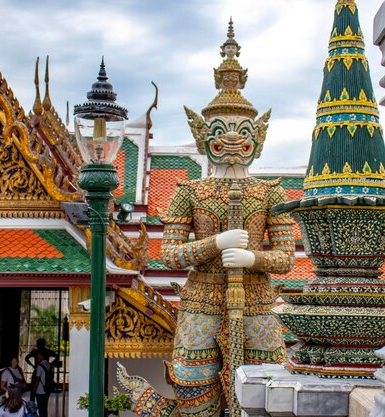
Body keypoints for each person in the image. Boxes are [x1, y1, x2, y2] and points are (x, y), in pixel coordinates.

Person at [116, 20, 295, 417]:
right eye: (221, 129)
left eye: (241, 129)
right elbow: (168, 255)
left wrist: (253, 258)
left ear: (256, 137)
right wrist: (216, 244)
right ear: (204, 135)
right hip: (200, 301)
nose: (232, 138)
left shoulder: (270, 193)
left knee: (266, 397)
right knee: (196, 397)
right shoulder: (189, 192)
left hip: (258, 301)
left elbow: (286, 258)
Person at [31, 350, 51, 417]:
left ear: (41, 356)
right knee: (45, 408)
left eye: (38, 356)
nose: (37, 358)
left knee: (41, 408)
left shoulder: (39, 367)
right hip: (47, 389)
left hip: (40, 390)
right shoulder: (49, 365)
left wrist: (33, 390)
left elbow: (37, 380)